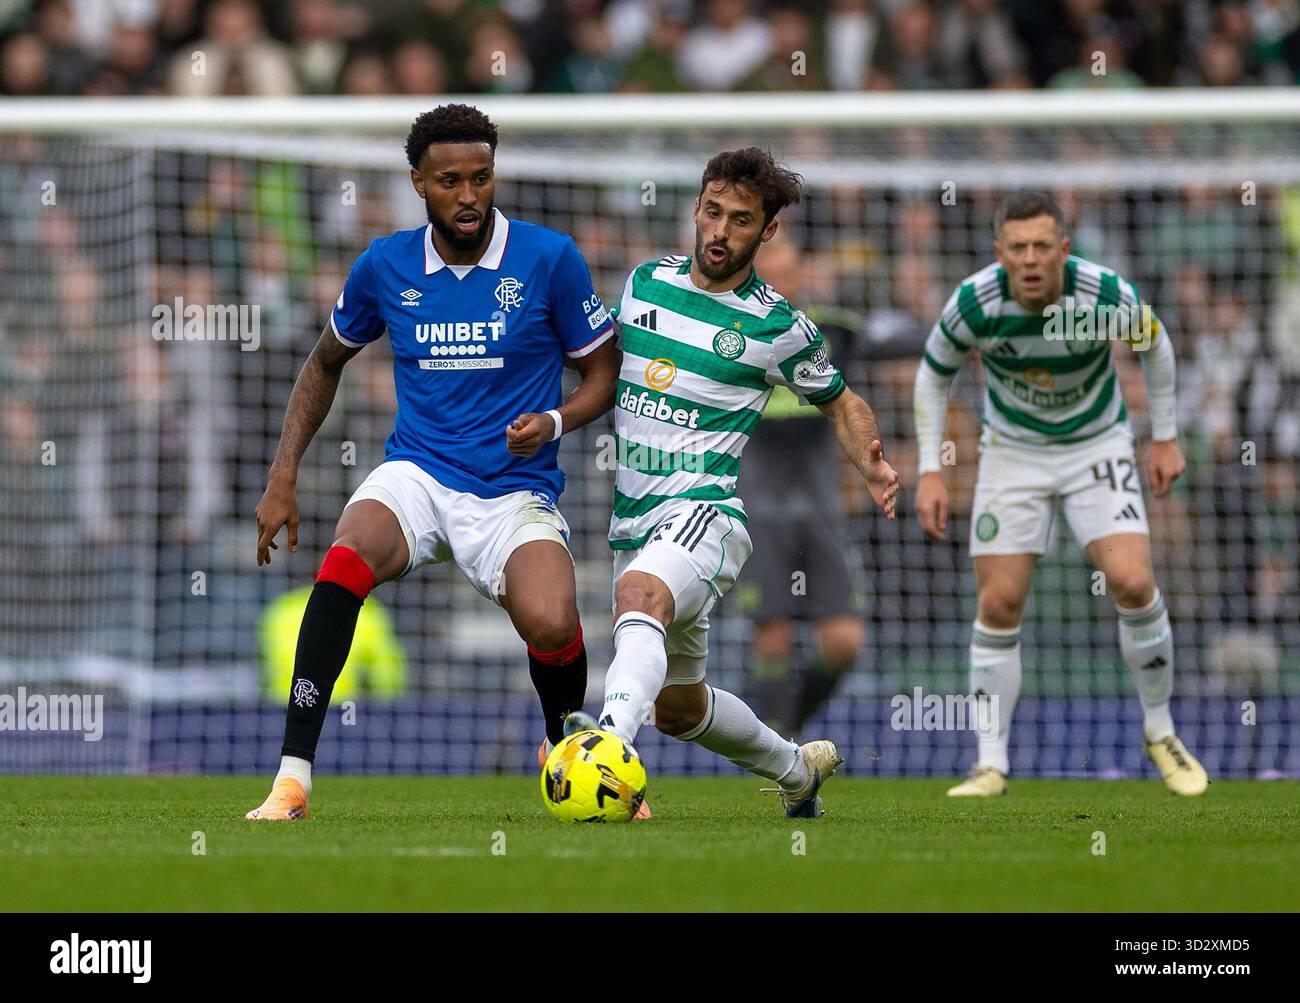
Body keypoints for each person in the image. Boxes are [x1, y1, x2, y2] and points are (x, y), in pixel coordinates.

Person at [246, 104, 620, 820]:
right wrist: (283, 474)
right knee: (346, 555)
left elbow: (605, 370)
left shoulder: (549, 258)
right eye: (451, 180)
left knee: (550, 618)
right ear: (419, 182)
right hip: (417, 472)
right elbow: (324, 363)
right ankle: (292, 779)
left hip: (513, 489)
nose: (470, 194)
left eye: (482, 177)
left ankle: (563, 749)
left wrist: (554, 419)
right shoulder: (384, 264)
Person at [568, 148, 899, 819]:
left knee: (639, 593)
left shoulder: (777, 325)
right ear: (695, 208)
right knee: (680, 708)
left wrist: (871, 459)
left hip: (707, 512)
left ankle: (606, 750)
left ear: (767, 232)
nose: (720, 230)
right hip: (636, 520)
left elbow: (839, 401)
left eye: (740, 220)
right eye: (713, 212)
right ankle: (795, 770)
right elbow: (601, 372)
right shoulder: (644, 282)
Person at [912, 191, 1208, 797]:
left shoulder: (1103, 296)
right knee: (999, 603)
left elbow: (1157, 346)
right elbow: (932, 373)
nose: (1029, 259)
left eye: (1042, 246)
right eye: (1017, 248)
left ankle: (1161, 730)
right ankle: (990, 764)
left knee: (1131, 581)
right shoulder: (976, 302)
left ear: (1063, 250)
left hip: (1095, 445)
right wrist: (931, 470)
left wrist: (1167, 439)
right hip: (1012, 454)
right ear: (999, 253)